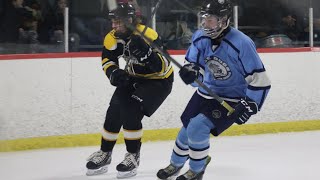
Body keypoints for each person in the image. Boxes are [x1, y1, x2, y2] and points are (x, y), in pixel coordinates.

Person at [156, 0, 271, 180]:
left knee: (197, 127)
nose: (204, 24)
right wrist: (192, 73)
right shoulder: (200, 37)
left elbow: (259, 79)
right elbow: (195, 64)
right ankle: (176, 164)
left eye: (210, 20)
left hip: (231, 99)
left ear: (224, 20)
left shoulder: (242, 43)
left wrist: (250, 104)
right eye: (203, 19)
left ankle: (197, 169)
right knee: (186, 130)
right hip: (206, 92)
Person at [85, 2, 174, 179]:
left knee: (131, 109)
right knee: (114, 111)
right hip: (133, 77)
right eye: (113, 22)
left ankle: (133, 155)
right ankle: (105, 153)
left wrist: (147, 55)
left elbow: (164, 65)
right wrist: (114, 73)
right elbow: (107, 60)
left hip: (158, 82)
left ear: (131, 20)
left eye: (119, 22)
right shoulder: (112, 37)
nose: (115, 26)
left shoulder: (148, 35)